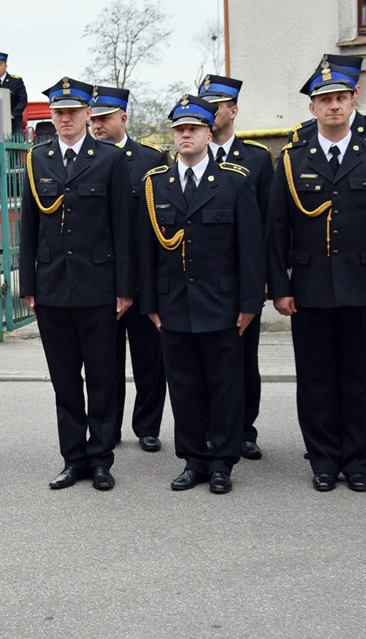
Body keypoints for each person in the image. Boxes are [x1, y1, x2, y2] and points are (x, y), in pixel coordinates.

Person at [266, 58, 366, 493]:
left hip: (364, 288)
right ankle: (324, 460)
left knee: (362, 377)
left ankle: (360, 462)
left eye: (340, 98)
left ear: (353, 101)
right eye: (325, 100)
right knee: (316, 379)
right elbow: (276, 230)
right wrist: (280, 288)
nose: (333, 106)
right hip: (309, 289)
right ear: (312, 108)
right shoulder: (291, 161)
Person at [139, 95, 264, 494]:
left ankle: (223, 462)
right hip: (173, 304)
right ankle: (193, 460)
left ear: (209, 134)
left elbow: (250, 248)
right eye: (179, 129)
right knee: (184, 386)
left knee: (225, 385)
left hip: (222, 304)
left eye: (193, 128)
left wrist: (249, 304)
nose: (185, 135)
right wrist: (150, 304)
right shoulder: (156, 184)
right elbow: (146, 251)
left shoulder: (235, 180)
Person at [19, 76, 133, 491]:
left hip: (98, 286)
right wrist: (28, 284)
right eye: (58, 112)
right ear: (51, 116)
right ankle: (73, 459)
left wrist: (125, 287)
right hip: (52, 287)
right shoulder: (38, 159)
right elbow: (29, 228)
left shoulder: (109, 159)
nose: (65, 118)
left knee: (102, 379)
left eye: (72, 111)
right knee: (64, 381)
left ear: (88, 113)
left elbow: (122, 226)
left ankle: (100, 458)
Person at [197, 74, 274, 461]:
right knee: (204, 361)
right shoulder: (190, 156)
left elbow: (268, 224)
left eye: (216, 107)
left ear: (233, 111)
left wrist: (264, 279)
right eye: (205, 107)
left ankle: (244, 429)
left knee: (244, 358)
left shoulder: (256, 159)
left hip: (243, 277)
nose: (210, 114)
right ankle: (209, 428)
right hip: (201, 279)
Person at [88, 85, 167, 453]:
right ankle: (109, 426)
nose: (97, 125)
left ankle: (147, 426)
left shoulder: (151, 159)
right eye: (94, 119)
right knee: (106, 361)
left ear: (123, 118)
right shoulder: (87, 159)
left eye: (104, 118)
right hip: (103, 278)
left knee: (150, 357)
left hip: (143, 275)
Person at [0, 51, 28, 136]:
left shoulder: (16, 81)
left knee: (18, 140)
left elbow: (23, 100)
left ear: (6, 66)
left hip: (14, 122)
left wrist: (12, 115)